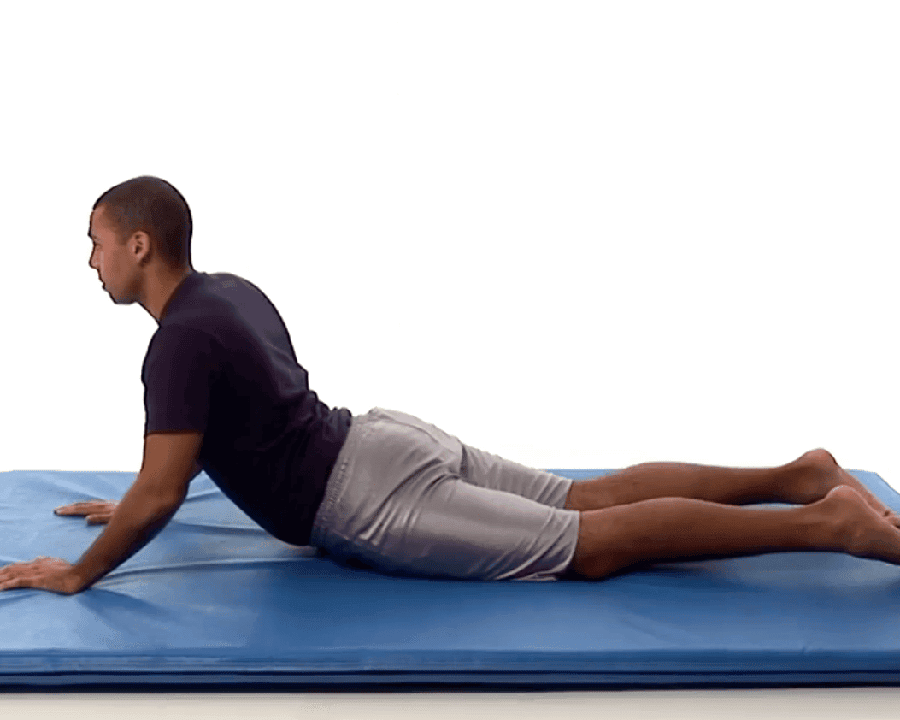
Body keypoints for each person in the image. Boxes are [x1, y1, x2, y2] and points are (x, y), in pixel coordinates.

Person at [2, 176, 899, 595]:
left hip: (363, 501)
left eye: (95, 242)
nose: (90, 260)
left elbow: (166, 487)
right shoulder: (225, 296)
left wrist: (83, 572)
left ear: (140, 245)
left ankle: (827, 525)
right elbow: (232, 430)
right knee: (583, 496)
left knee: (588, 543)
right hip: (385, 437)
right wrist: (123, 505)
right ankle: (797, 472)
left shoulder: (174, 348)